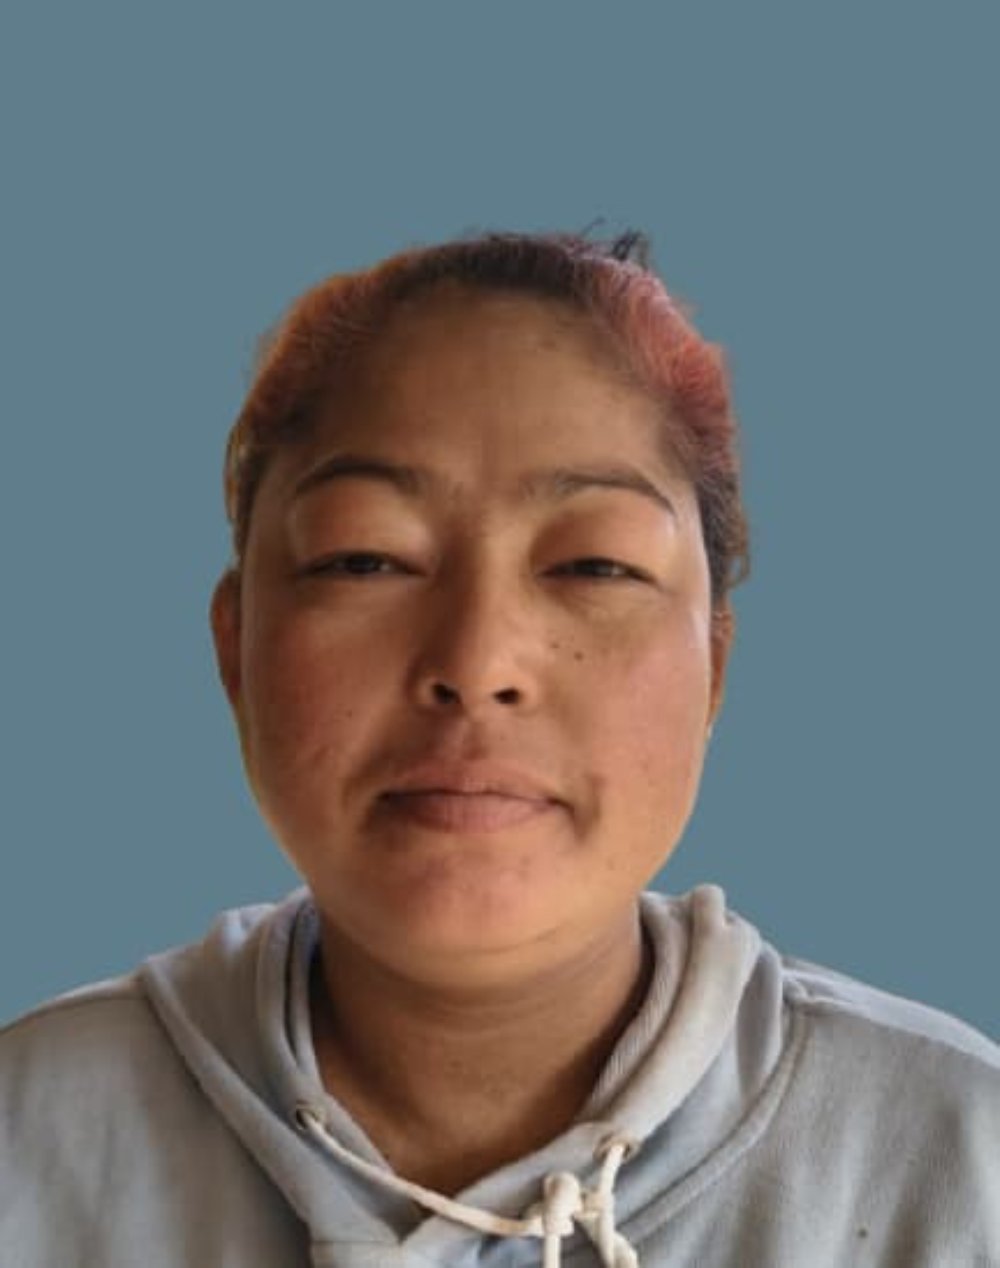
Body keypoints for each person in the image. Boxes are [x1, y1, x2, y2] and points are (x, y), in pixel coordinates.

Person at [1, 230, 997, 1267]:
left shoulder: (960, 1164)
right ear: (234, 646)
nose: (476, 662)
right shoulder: (27, 1143)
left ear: (713, 663)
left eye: (594, 564)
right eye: (366, 557)